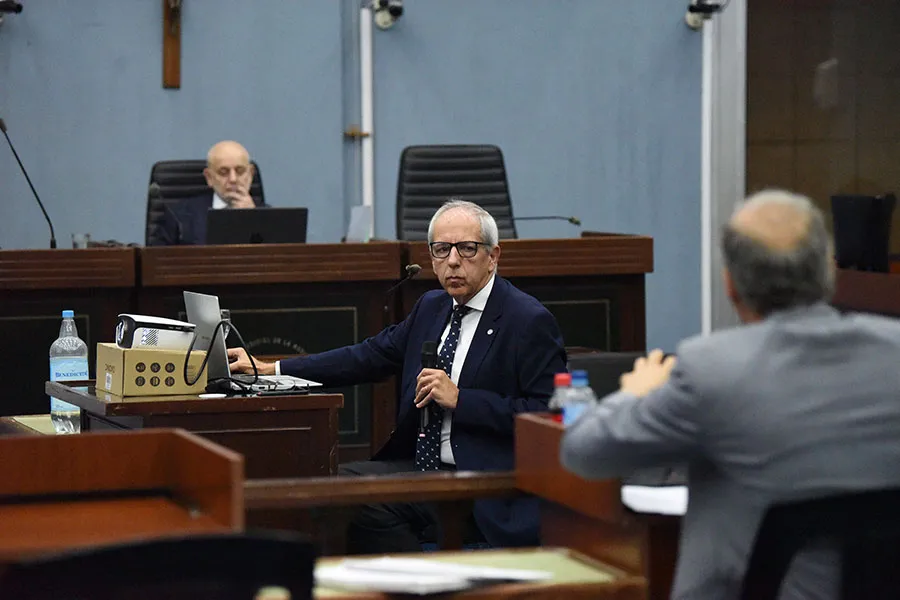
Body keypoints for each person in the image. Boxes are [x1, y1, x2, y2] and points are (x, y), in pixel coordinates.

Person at [561, 189, 900, 600]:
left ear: (730, 283)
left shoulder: (713, 370)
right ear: (828, 270)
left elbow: (584, 452)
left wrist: (634, 391)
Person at [229, 199, 567, 551]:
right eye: (441, 250)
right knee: (334, 487)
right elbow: (367, 356)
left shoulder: (526, 320)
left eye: (467, 249)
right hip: (426, 468)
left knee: (362, 499)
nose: (453, 261)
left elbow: (551, 415)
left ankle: (426, 579)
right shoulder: (432, 307)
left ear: (493, 256)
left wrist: (462, 400)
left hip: (488, 482)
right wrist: (272, 368)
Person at [154, 140, 263, 245]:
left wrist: (252, 218)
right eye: (223, 172)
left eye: (240, 171)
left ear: (250, 174)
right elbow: (156, 260)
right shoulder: (178, 217)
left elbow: (273, 258)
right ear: (209, 177)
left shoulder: (268, 218)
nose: (233, 179)